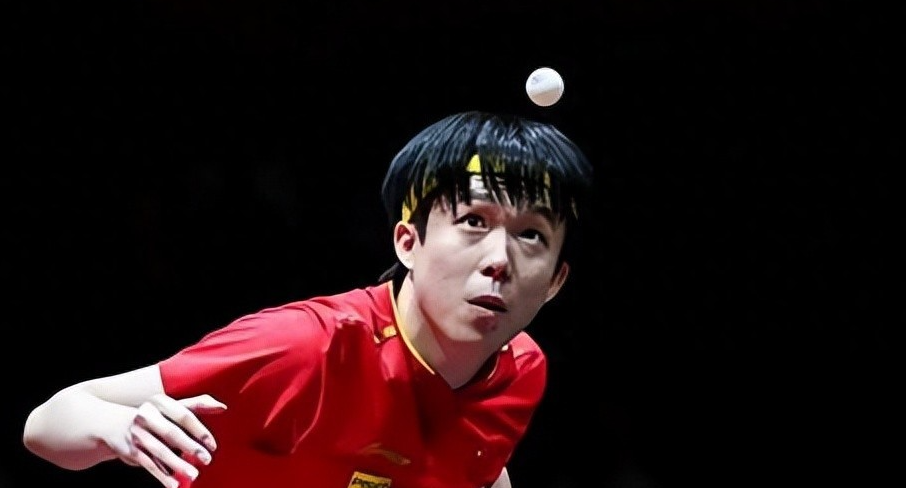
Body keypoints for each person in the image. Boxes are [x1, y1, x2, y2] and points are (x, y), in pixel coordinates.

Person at [22, 110, 594, 488]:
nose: (499, 259)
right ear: (408, 242)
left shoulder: (520, 372)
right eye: (473, 221)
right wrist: (120, 429)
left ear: (555, 281)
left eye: (531, 235)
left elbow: (476, 467)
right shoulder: (303, 349)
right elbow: (48, 423)